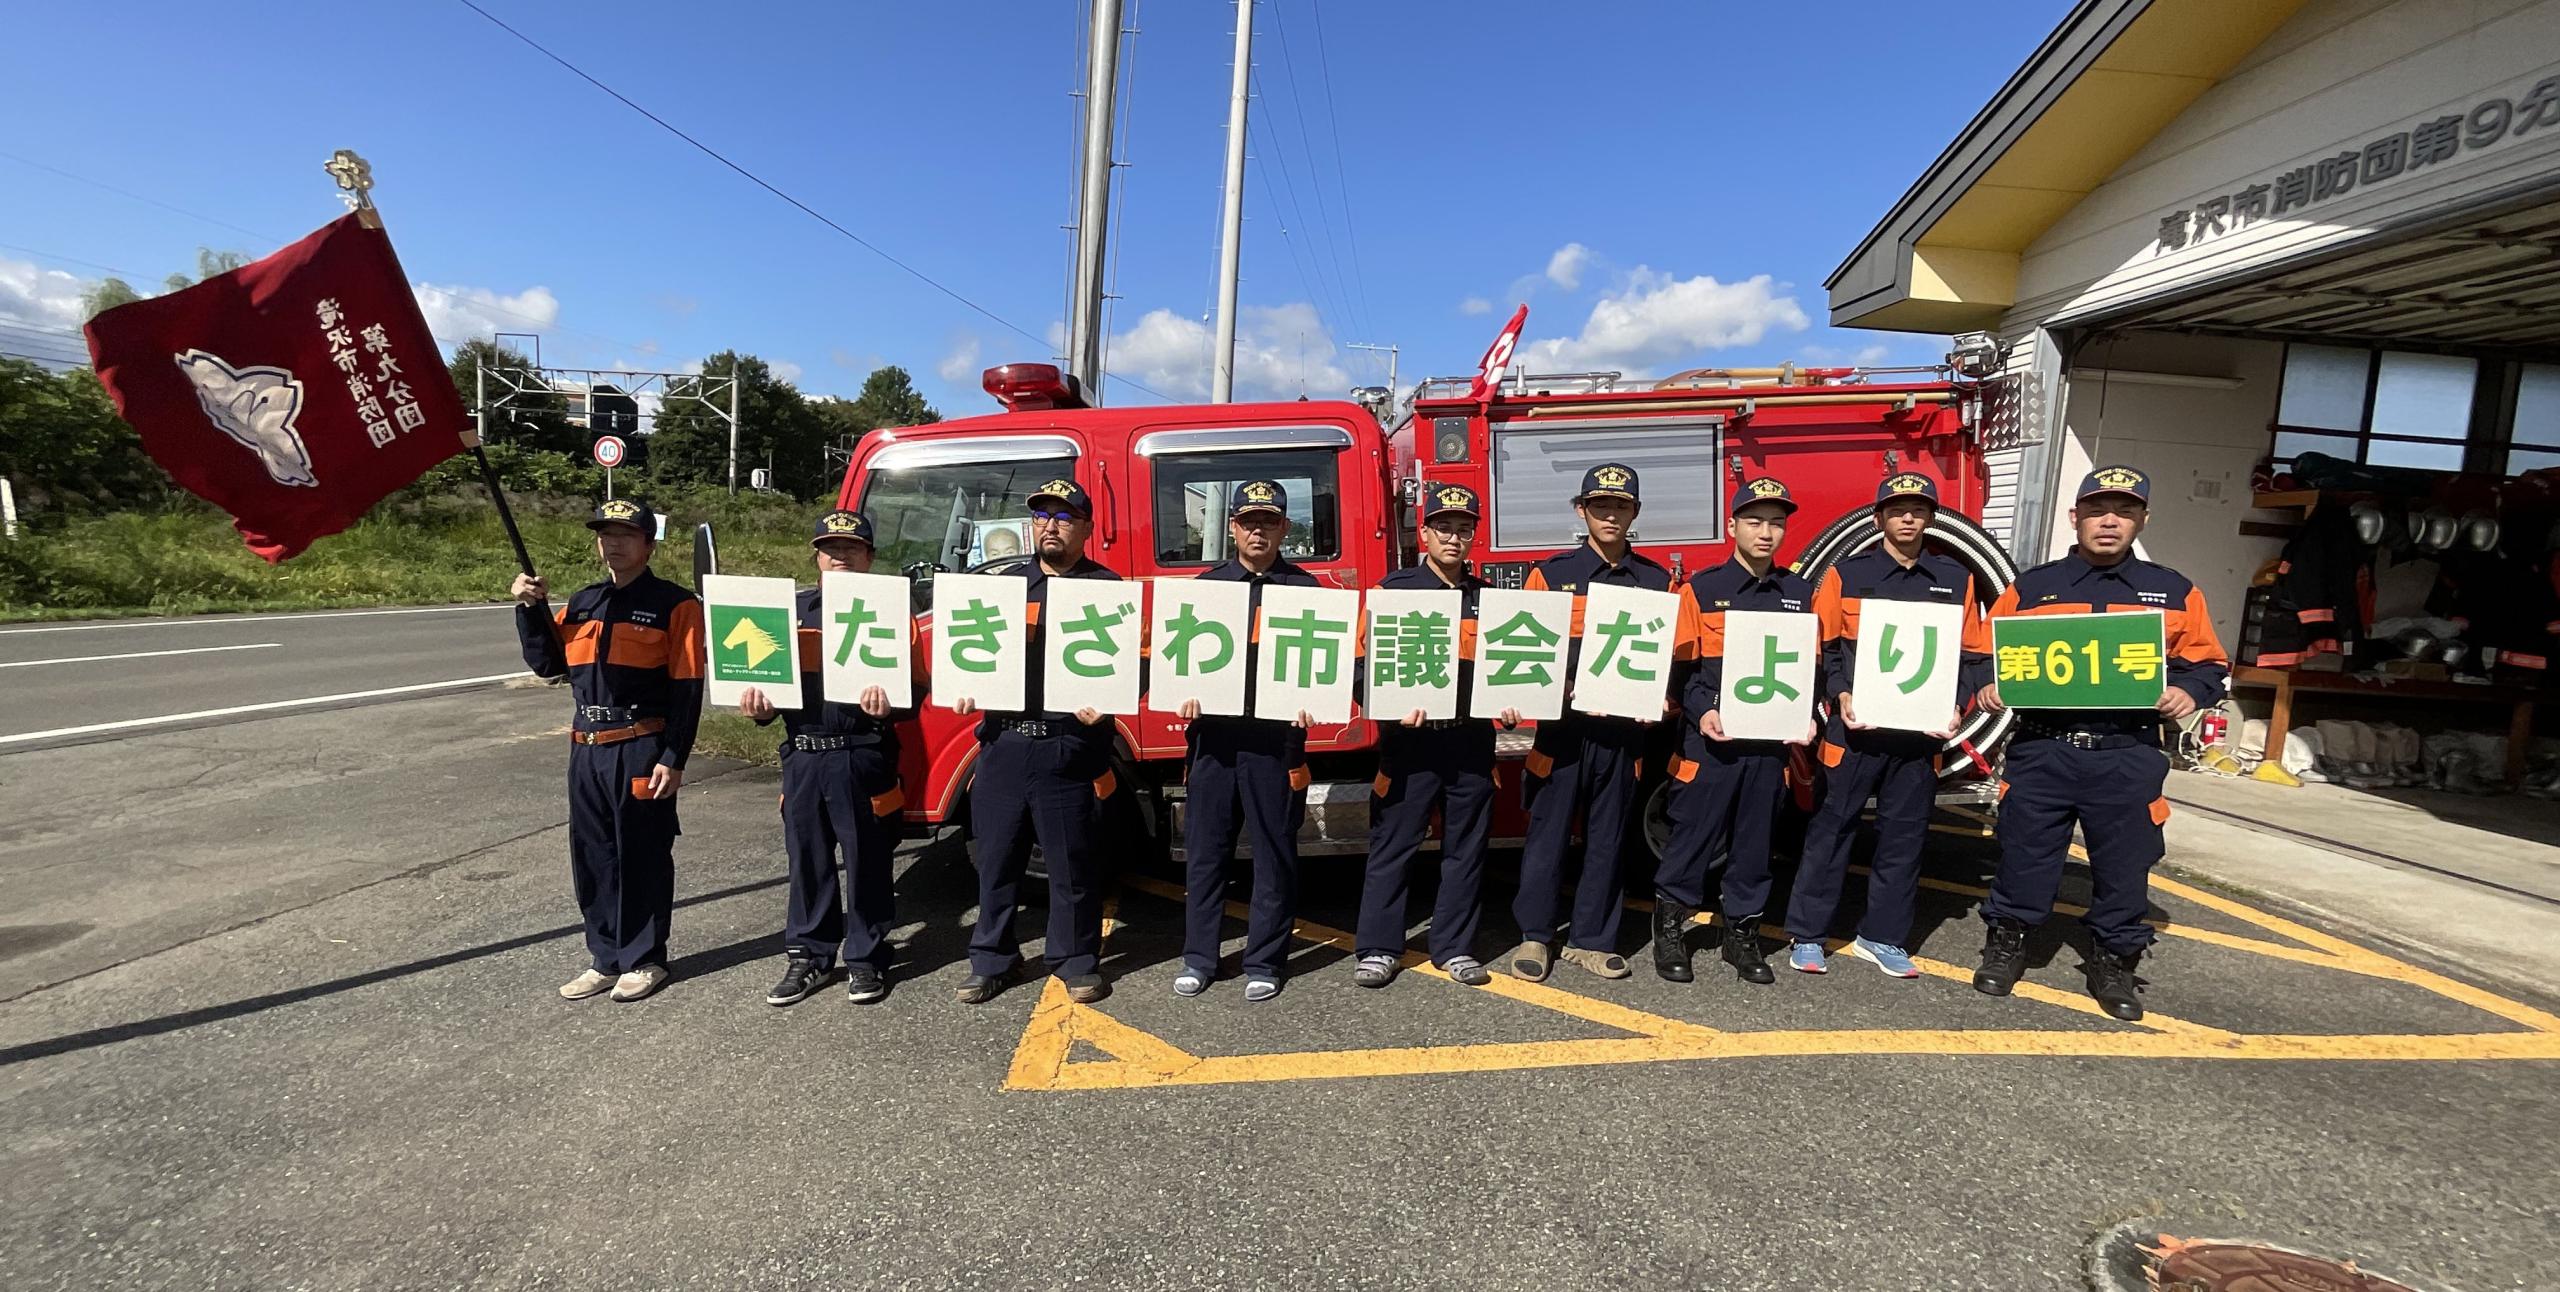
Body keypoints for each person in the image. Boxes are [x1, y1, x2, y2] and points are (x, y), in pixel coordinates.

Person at [1973, 466, 2228, 1022]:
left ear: (2142, 520)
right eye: (2096, 510)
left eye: (2124, 511)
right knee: (2025, 852)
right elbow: (1980, 653)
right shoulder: (2033, 588)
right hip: (2043, 749)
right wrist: (1985, 685)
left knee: (2124, 863)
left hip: (2127, 752)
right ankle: (2008, 940)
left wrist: (2188, 690)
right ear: (2076, 517)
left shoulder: (2176, 591)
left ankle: (2114, 959)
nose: (2109, 521)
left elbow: (2209, 663)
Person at [1783, 473, 1991, 979]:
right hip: (1855, 733)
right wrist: (1840, 692)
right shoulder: (1845, 575)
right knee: (1831, 832)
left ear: (1930, 520)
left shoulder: (1955, 580)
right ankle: (1807, 934)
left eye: (1918, 510)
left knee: (1905, 837)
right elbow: (1824, 647)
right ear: (1878, 519)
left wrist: (1960, 704)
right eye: (1897, 509)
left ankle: (1882, 937)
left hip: (1919, 740)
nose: (1907, 518)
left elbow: (1975, 655)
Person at [512, 497, 704, 1003]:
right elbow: (548, 665)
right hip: (587, 747)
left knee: (642, 854)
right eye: (605, 534)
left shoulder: (676, 604)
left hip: (640, 745)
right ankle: (604, 957)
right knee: (593, 856)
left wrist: (674, 756)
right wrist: (530, 608)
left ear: (649, 544)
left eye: (625, 535)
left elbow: (687, 687)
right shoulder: (582, 602)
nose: (613, 543)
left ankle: (644, 958)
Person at [950, 479, 1121, 1006]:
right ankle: (992, 960)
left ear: (1088, 529)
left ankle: (1075, 961)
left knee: (1073, 867)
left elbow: (1136, 665)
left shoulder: (1110, 590)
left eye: (1065, 517)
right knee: (997, 861)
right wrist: (962, 685)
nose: (1051, 525)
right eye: (1043, 516)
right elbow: (966, 654)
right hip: (1003, 747)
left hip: (1069, 745)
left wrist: (1109, 700)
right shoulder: (998, 590)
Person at [1510, 463, 1675, 982]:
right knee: (1548, 836)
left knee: (1609, 838)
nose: (1610, 515)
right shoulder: (1550, 575)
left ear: (1635, 513)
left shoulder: (1657, 581)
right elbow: (1524, 655)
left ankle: (1592, 939)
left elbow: (1671, 658)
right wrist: (1545, 691)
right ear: (1581, 511)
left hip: (1623, 735)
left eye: (1620, 506)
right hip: (1562, 734)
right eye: (1599, 505)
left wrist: (1664, 698)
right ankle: (1536, 936)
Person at [738, 510, 909, 1007]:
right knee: (808, 863)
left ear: (869, 557)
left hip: (862, 755)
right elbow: (765, 689)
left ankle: (867, 958)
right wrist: (759, 709)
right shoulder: (788, 614)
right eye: (830, 548)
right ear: (816, 556)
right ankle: (809, 957)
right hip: (805, 756)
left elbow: (916, 692)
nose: (839, 556)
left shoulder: (891, 614)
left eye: (851, 548)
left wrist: (890, 704)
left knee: (868, 861)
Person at [1656, 477, 1820, 984]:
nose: (1766, 532)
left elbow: (1809, 667)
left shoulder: (1798, 592)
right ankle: (1670, 933)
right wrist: (1703, 710)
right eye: (1754, 521)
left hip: (1768, 748)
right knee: (1692, 841)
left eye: (1776, 522)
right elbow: (1679, 671)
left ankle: (1741, 937)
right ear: (1732, 526)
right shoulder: (1701, 590)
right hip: (1711, 745)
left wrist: (1808, 711)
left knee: (1754, 845)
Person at [1351, 484, 1509, 990]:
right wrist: (1389, 704)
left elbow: (1510, 671)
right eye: (1444, 528)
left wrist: (1515, 701)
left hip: (1469, 743)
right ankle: (1378, 948)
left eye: (1464, 529)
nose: (1454, 538)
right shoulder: (1390, 593)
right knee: (1393, 845)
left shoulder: (1492, 603)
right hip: (1410, 744)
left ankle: (1455, 947)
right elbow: (1358, 668)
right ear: (1424, 533)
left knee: (1466, 849)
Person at [1176, 480, 1321, 1003]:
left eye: (1269, 521)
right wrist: (1182, 692)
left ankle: (1265, 960)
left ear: (1285, 527)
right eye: (1248, 520)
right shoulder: (1203, 589)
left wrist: (1316, 700)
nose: (1258, 529)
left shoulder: (1308, 594)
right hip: (1213, 744)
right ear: (1232, 526)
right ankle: (1199, 957)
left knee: (1274, 855)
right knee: (1205, 855)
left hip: (1276, 746)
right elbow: (1168, 667)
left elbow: (1331, 672)